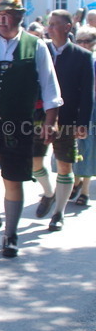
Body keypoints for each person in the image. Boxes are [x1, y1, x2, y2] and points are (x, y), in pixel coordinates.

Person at [0, 0, 62, 258]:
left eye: (8, 16)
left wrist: (50, 121)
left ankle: (10, 234)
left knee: (13, 178)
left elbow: (49, 86)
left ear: (20, 18)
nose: (2, 21)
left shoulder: (36, 46)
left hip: (18, 124)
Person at [31, 10, 92, 231]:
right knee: (35, 162)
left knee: (65, 166)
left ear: (68, 27)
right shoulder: (40, 50)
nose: (50, 28)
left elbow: (86, 94)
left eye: (56, 24)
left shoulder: (82, 56)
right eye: (49, 24)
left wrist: (83, 122)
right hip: (38, 117)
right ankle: (48, 193)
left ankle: (58, 213)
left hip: (67, 118)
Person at [71, 26, 96, 206]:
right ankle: (76, 181)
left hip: (92, 108)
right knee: (73, 147)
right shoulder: (76, 58)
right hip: (74, 106)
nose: (83, 44)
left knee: (88, 147)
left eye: (87, 41)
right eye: (80, 41)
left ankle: (85, 190)